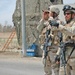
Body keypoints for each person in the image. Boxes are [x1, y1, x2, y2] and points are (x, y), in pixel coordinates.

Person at [37, 6, 64, 75]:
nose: (48, 14)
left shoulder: (59, 22)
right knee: (46, 69)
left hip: (54, 50)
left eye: (50, 12)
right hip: (46, 49)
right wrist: (43, 19)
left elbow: (54, 27)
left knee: (56, 69)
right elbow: (38, 29)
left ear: (55, 13)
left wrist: (50, 19)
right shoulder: (46, 22)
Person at [55, 5, 75, 75]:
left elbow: (72, 32)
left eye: (68, 14)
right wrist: (58, 54)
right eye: (65, 14)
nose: (66, 15)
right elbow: (63, 42)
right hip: (65, 57)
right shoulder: (66, 26)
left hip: (73, 57)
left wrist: (58, 26)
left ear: (73, 15)